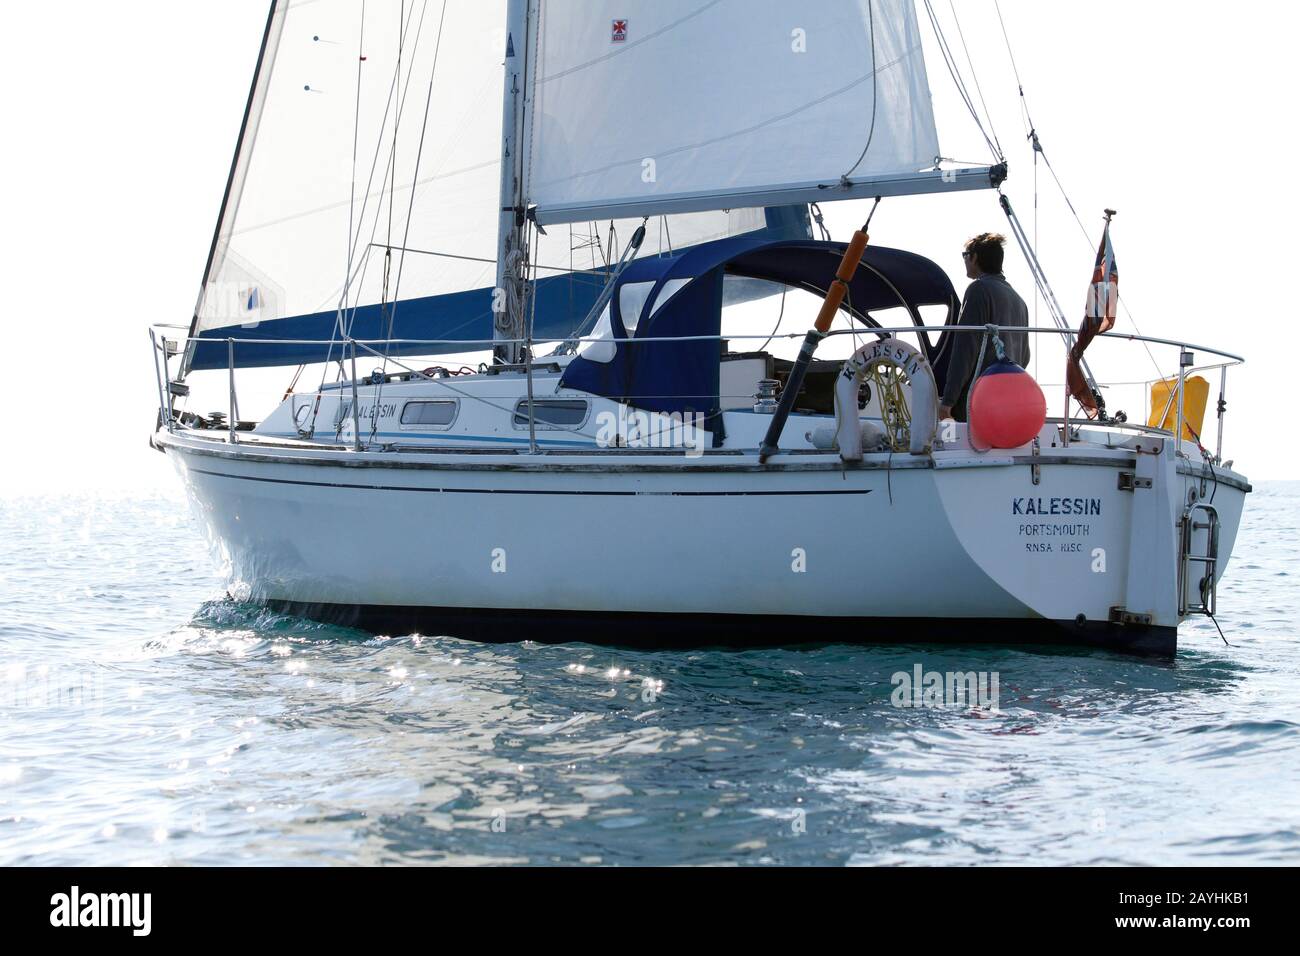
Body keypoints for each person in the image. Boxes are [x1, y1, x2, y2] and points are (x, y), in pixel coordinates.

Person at [938, 233, 1031, 421]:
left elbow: (965, 350)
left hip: (978, 401)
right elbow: (1025, 357)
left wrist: (948, 402)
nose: (964, 260)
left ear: (975, 257)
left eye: (965, 255)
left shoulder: (978, 290)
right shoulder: (1019, 301)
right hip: (1007, 403)